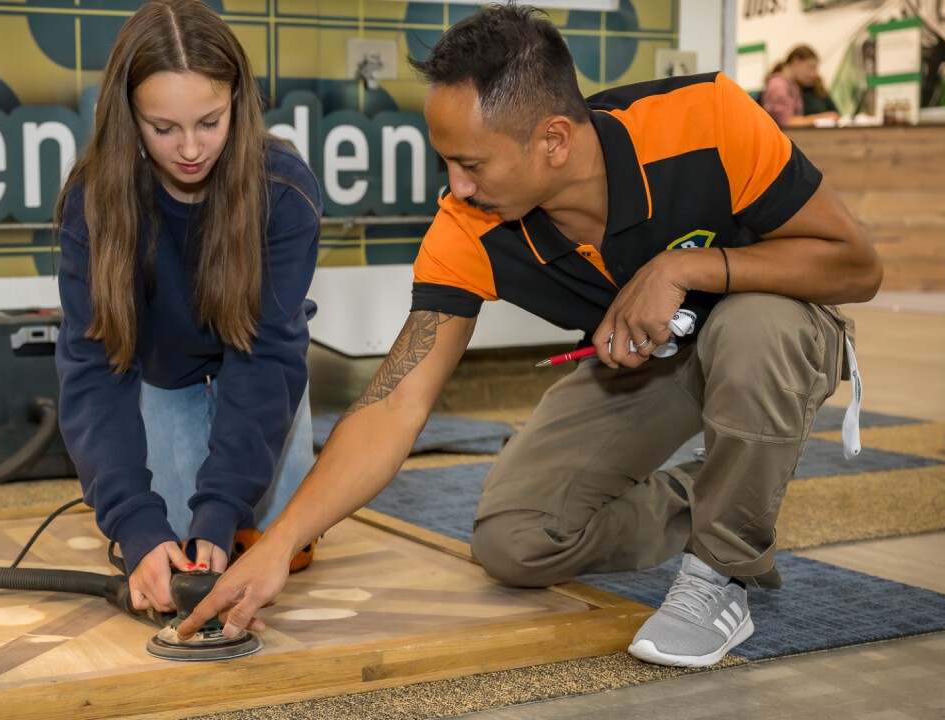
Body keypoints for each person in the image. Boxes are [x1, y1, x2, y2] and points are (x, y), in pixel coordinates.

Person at [178, 4, 882, 669]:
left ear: (553, 140)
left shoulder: (708, 119)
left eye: (473, 165)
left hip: (775, 330)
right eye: (445, 162)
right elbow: (394, 401)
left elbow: (857, 265)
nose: (456, 188)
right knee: (515, 542)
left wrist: (685, 267)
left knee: (755, 326)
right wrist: (279, 544)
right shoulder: (466, 228)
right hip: (648, 366)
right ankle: (722, 484)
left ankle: (721, 572)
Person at [53, 0, 322, 616]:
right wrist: (133, 521)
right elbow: (94, 368)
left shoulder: (283, 189)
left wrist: (225, 508)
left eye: (209, 121)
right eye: (163, 128)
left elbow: (270, 357)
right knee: (161, 555)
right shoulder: (91, 202)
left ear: (238, 102)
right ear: (129, 118)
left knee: (280, 547)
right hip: (161, 378)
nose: (191, 149)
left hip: (254, 366)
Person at [763, 45, 840, 127]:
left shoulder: (791, 85)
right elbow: (786, 122)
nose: (814, 74)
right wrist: (823, 118)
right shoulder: (778, 86)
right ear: (796, 62)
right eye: (811, 67)